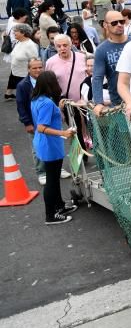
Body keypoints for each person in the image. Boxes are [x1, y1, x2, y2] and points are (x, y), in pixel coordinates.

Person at [31, 70, 79, 225]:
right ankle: (50, 215)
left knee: (54, 177)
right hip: (49, 144)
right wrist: (64, 132)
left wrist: (57, 106)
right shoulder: (46, 103)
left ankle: (59, 206)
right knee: (52, 180)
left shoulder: (38, 99)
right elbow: (42, 127)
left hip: (45, 144)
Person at [16, 58, 54, 184]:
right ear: (28, 69)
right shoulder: (23, 85)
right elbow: (21, 106)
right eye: (34, 68)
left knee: (52, 144)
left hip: (49, 121)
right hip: (34, 123)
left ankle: (55, 170)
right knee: (38, 147)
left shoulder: (46, 81)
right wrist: (27, 123)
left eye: (40, 67)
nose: (38, 70)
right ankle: (41, 172)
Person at [92, 10, 130, 113]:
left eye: (121, 22)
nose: (119, 25)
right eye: (114, 23)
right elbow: (97, 78)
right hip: (118, 104)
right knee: (124, 129)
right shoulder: (101, 50)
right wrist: (99, 102)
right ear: (105, 25)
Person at [45, 34, 87, 102]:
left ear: (70, 45)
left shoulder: (82, 58)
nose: (62, 48)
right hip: (64, 104)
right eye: (59, 46)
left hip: (84, 103)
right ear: (55, 47)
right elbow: (48, 84)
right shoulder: (50, 62)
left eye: (65, 45)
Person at [7, 23, 39, 100]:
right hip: (16, 75)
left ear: (23, 33)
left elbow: (34, 61)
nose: (14, 33)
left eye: (16, 31)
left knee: (27, 98)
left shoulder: (30, 45)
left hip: (25, 77)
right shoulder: (19, 42)